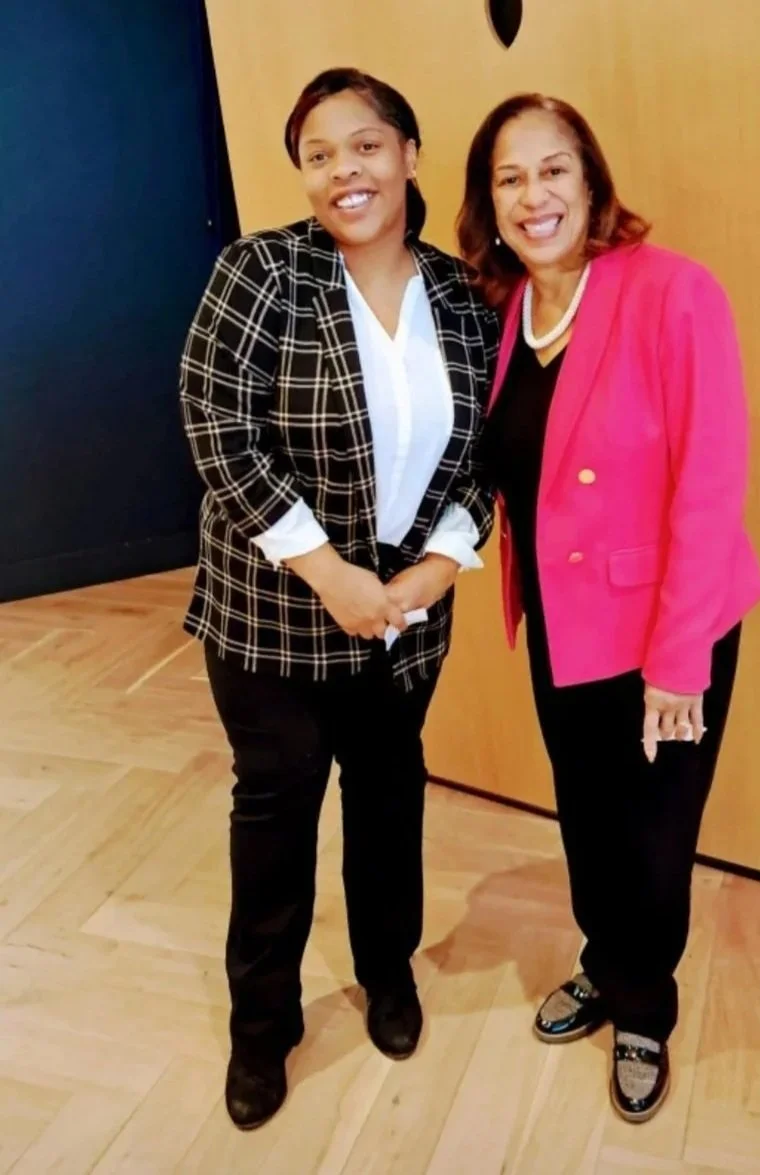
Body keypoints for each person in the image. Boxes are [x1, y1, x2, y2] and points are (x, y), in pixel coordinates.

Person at [180, 67, 498, 1130]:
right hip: (272, 615)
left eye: (365, 145)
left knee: (388, 794)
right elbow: (218, 428)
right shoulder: (262, 271)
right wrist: (330, 571)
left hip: (403, 619)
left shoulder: (464, 296)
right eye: (319, 153)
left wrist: (438, 566)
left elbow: (487, 456)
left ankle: (388, 971)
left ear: (409, 154)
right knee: (274, 813)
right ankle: (261, 1024)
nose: (343, 170)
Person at [457, 94, 760, 1123]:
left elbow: (712, 482)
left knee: (653, 832)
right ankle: (605, 957)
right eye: (510, 177)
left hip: (666, 630)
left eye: (553, 171)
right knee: (587, 814)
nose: (533, 194)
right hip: (560, 621)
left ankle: (645, 1005)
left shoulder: (673, 291)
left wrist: (680, 659)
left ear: (591, 182)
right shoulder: (506, 312)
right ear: (487, 200)